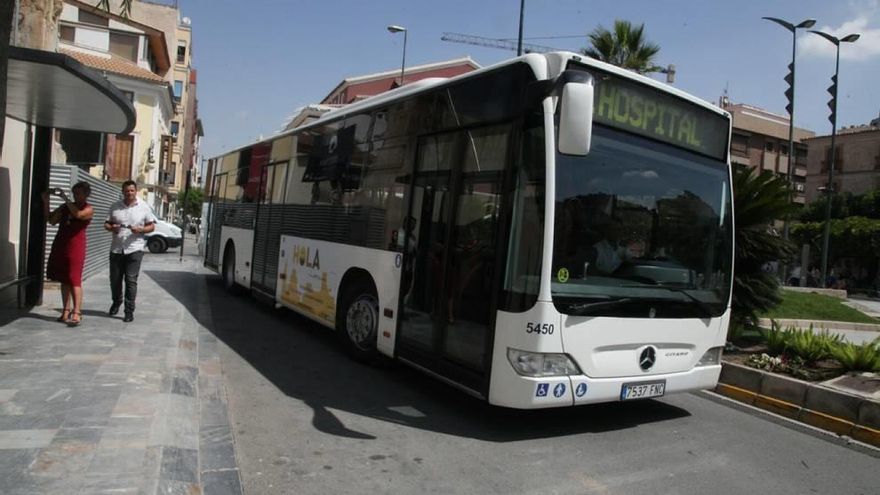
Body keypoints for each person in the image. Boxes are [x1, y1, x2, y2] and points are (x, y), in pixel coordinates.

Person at [42, 182, 94, 326]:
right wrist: (46, 201)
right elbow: (51, 220)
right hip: (61, 244)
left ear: (86, 194)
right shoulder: (65, 207)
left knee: (74, 278)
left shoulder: (88, 209)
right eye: (74, 193)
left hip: (76, 246)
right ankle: (66, 310)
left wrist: (64, 198)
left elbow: (78, 214)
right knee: (64, 278)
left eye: (78, 193)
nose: (76, 196)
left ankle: (77, 312)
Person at [104, 180, 156, 322]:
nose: (129, 193)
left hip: (135, 249)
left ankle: (129, 310)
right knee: (115, 280)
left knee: (131, 280)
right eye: (127, 191)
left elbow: (151, 227)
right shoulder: (115, 207)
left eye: (132, 190)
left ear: (136, 191)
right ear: (123, 191)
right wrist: (112, 228)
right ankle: (116, 301)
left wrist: (141, 230)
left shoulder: (144, 207)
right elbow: (106, 224)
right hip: (116, 249)